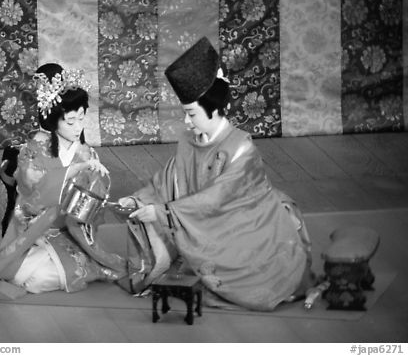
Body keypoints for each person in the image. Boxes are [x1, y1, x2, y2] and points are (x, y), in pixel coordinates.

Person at [118, 37, 315, 311]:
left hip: (247, 224)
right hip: (203, 222)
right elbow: (169, 179)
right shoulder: (189, 140)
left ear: (213, 109)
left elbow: (216, 199)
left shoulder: (241, 149)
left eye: (191, 114)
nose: (187, 121)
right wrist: (140, 199)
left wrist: (162, 213)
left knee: (249, 278)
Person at [0, 63, 137, 299]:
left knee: (40, 279)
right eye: (70, 121)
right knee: (31, 275)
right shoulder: (34, 150)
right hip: (34, 232)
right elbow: (31, 194)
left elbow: (89, 210)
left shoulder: (87, 154)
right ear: (53, 120)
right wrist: (74, 170)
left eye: (81, 119)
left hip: (70, 234)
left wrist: (96, 183)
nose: (78, 127)